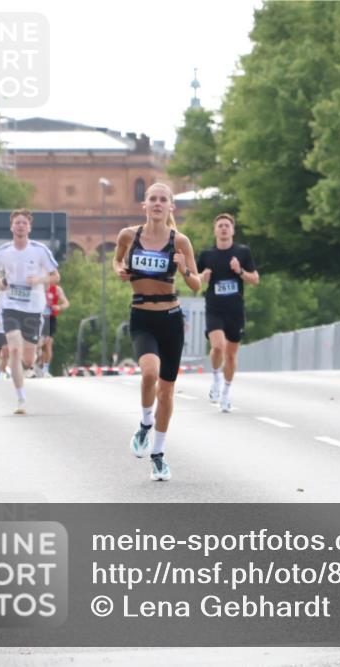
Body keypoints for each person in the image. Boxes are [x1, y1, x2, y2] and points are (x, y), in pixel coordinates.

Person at [113, 182, 200, 481]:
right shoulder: (129, 235)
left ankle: (158, 454)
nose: (158, 204)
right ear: (145, 205)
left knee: (167, 389)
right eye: (153, 199)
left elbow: (196, 283)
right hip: (142, 316)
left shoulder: (180, 242)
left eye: (164, 200)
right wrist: (118, 270)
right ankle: (145, 423)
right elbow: (116, 259)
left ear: (171, 207)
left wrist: (184, 268)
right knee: (149, 372)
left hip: (171, 319)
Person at [0, 209, 60, 414]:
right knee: (14, 349)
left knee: (28, 358)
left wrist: (39, 280)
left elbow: (55, 276)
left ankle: (31, 364)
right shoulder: (3, 251)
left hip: (34, 307)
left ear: (29, 227)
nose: (20, 226)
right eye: (17, 222)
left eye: (24, 223)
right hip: (9, 305)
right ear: (11, 226)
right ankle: (20, 398)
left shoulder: (40, 250)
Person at [197, 213, 259, 411]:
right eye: (220, 225)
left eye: (227, 225)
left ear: (232, 230)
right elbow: (194, 282)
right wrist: (201, 277)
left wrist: (239, 271)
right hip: (214, 307)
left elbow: (255, 280)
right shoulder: (207, 255)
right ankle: (215, 378)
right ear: (215, 230)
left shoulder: (242, 252)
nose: (223, 228)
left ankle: (226, 393)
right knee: (217, 348)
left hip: (235, 310)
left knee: (231, 356)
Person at [37, 283, 69, 377]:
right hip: (37, 318)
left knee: (48, 343)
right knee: (38, 344)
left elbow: (66, 303)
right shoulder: (36, 286)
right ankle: (36, 364)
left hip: (50, 318)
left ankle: (45, 370)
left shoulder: (56, 289)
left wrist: (59, 307)